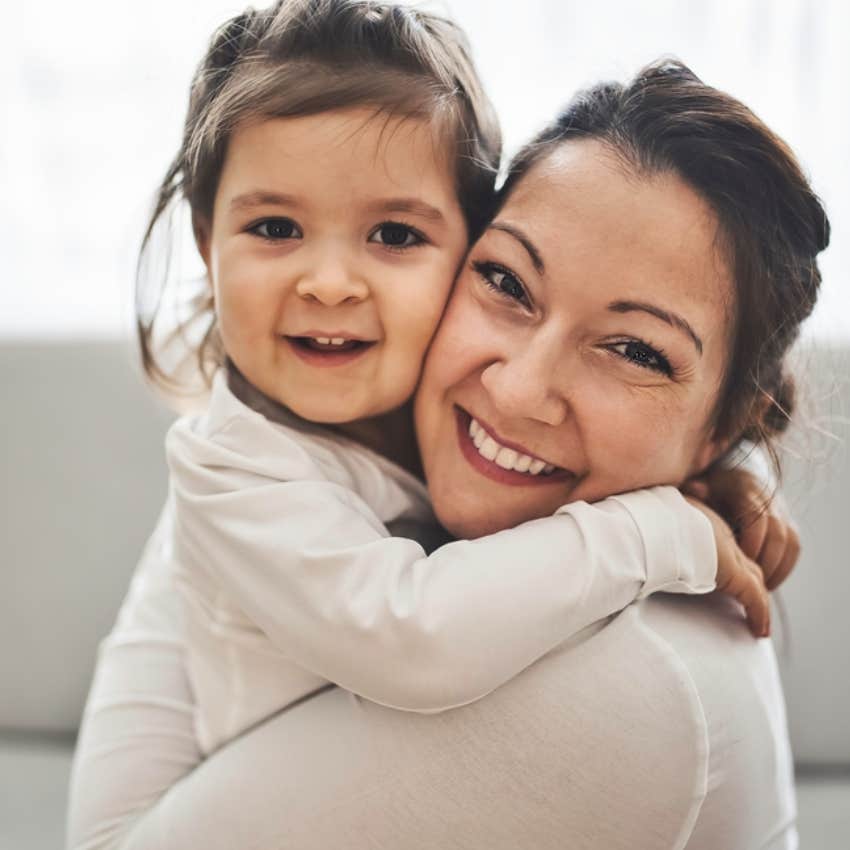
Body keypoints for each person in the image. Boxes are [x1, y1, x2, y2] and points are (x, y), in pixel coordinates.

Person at [65, 11, 813, 850]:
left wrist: (712, 490)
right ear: (206, 244)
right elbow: (410, 631)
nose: (332, 284)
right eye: (506, 280)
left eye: (636, 350)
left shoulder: (654, 679)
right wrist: (659, 526)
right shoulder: (239, 465)